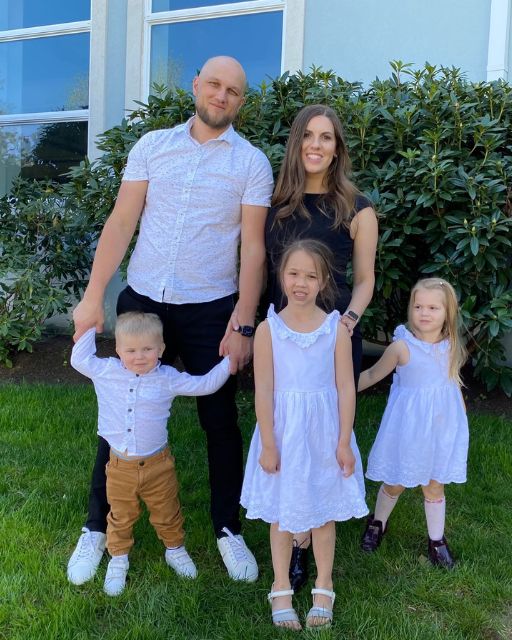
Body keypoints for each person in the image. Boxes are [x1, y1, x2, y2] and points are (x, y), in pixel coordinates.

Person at [67, 56, 274, 587]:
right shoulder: (152, 146)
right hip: (144, 302)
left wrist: (243, 323)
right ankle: (96, 527)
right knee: (120, 415)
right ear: (196, 86)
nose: (221, 95)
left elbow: (253, 250)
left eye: (233, 90)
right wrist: (92, 297)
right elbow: (121, 221)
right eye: (214, 84)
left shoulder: (251, 163)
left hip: (211, 308)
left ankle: (227, 527)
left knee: (219, 421)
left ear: (241, 101)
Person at [224, 104, 378, 589]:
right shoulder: (275, 207)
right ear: (297, 143)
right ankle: (293, 542)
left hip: (334, 339)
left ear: (337, 147)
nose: (316, 144)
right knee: (286, 438)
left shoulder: (357, 208)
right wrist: (246, 326)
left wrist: (349, 322)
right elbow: (255, 266)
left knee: (324, 439)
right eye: (308, 135)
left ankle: (316, 532)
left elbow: (366, 279)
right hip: (284, 342)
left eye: (326, 137)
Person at [241, 239, 368, 630]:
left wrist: (343, 442)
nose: (301, 283)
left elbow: (345, 388)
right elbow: (264, 390)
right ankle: (280, 585)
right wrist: (268, 442)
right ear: (281, 276)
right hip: (283, 434)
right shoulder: (268, 330)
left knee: (323, 512)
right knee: (281, 515)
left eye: (311, 276)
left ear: (324, 281)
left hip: (323, 433)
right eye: (293, 273)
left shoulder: (335, 330)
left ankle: (323, 585)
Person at [70, 312, 231, 596]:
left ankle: (175, 549)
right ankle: (118, 558)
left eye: (147, 349)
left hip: (159, 465)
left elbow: (204, 384)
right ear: (118, 349)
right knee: (120, 515)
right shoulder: (106, 371)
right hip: (119, 467)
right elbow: (79, 360)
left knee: (167, 510)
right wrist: (87, 327)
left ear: (161, 349)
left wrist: (231, 360)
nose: (139, 356)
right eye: (130, 350)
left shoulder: (167, 378)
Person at [358, 278, 469, 569]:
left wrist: (459, 425)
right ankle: (377, 522)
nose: (424, 313)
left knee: (434, 486)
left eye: (433, 307)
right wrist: (341, 389)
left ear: (447, 312)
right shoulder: (402, 347)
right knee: (395, 482)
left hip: (440, 429)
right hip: (408, 430)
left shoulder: (451, 347)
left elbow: (453, 386)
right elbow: (372, 375)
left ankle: (437, 541)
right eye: (418, 306)